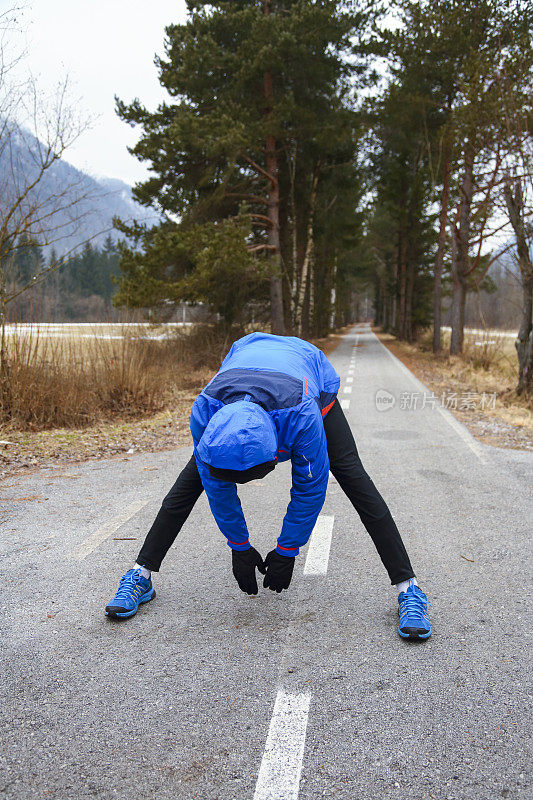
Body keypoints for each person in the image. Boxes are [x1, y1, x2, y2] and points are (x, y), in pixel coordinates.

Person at [105, 332, 431, 640]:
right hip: (243, 365)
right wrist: (239, 546)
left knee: (356, 481)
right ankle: (140, 575)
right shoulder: (205, 411)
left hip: (306, 372)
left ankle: (409, 589)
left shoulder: (302, 416)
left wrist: (288, 549)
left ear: (276, 450)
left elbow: (310, 486)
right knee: (184, 489)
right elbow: (216, 486)